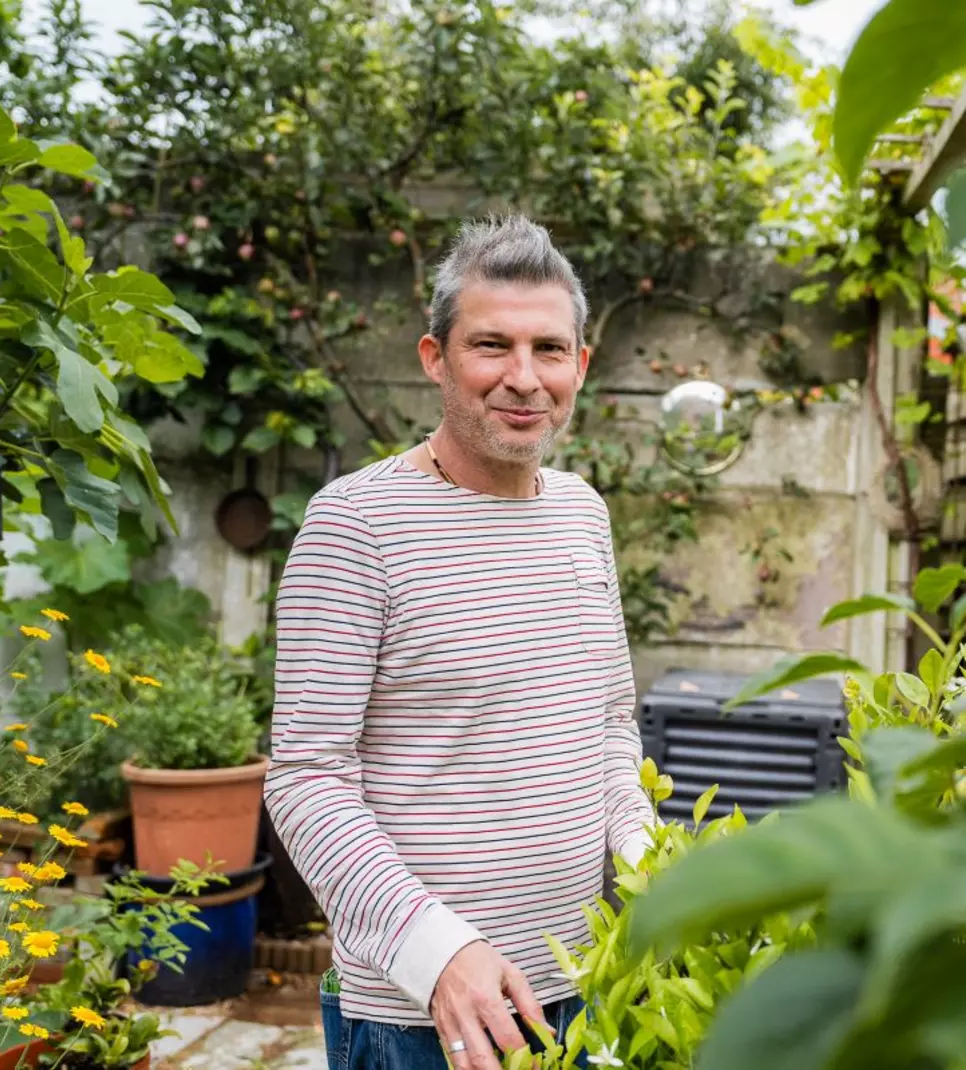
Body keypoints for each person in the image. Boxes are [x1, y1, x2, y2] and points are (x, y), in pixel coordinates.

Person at [264, 215, 655, 1070]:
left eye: (549, 349)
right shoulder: (354, 526)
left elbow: (609, 722)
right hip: (427, 1016)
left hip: (585, 981)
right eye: (491, 346)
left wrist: (646, 861)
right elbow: (306, 776)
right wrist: (438, 951)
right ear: (436, 358)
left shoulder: (583, 515)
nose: (524, 379)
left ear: (580, 366)